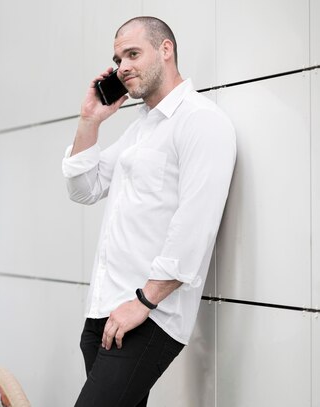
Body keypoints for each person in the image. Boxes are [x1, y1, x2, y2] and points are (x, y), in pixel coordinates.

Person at [62, 16, 236, 407]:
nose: (122, 67)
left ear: (166, 50)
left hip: (149, 313)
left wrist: (144, 302)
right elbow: (83, 188)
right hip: (107, 310)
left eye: (133, 54)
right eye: (118, 58)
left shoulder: (201, 121)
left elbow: (196, 226)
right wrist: (90, 120)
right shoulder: (140, 130)